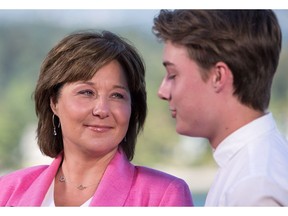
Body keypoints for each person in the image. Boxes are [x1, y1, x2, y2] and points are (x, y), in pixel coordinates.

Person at [0, 30, 193, 207]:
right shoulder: (7, 190)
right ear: (54, 103)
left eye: (117, 95)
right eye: (86, 92)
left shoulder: (164, 195)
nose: (102, 110)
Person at [152, 10, 288, 206]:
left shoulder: (254, 187)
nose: (162, 92)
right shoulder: (250, 166)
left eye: (173, 75)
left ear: (218, 76)